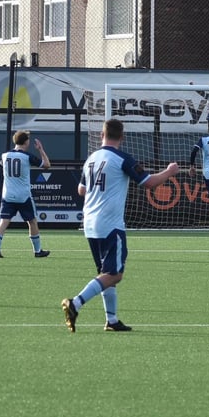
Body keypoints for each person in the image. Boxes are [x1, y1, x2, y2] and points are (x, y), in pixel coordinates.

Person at [61, 119, 179, 333]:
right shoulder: (122, 158)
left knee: (105, 274)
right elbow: (149, 183)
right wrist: (170, 171)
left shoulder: (91, 158)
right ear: (122, 137)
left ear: (101, 135)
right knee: (115, 274)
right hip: (109, 223)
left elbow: (81, 190)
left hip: (89, 222)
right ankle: (75, 303)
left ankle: (112, 320)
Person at [0, 130, 51, 258]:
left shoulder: (4, 155)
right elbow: (47, 165)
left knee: (3, 222)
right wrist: (40, 149)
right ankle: (37, 251)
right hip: (23, 196)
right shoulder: (27, 156)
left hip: (7, 195)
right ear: (26, 141)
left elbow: (3, 165)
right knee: (32, 222)